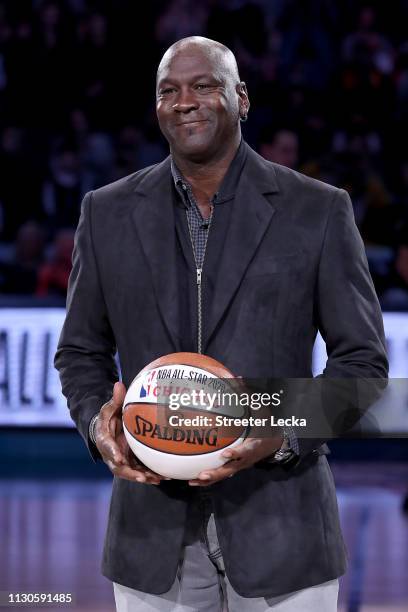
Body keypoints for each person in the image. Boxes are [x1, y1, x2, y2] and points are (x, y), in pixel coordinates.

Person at [55, 36, 388, 611]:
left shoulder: (317, 209)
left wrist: (282, 434)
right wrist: (97, 425)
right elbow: (80, 352)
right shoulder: (104, 213)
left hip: (285, 531)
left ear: (242, 98)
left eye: (204, 85)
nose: (185, 101)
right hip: (151, 536)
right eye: (168, 91)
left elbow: (363, 364)